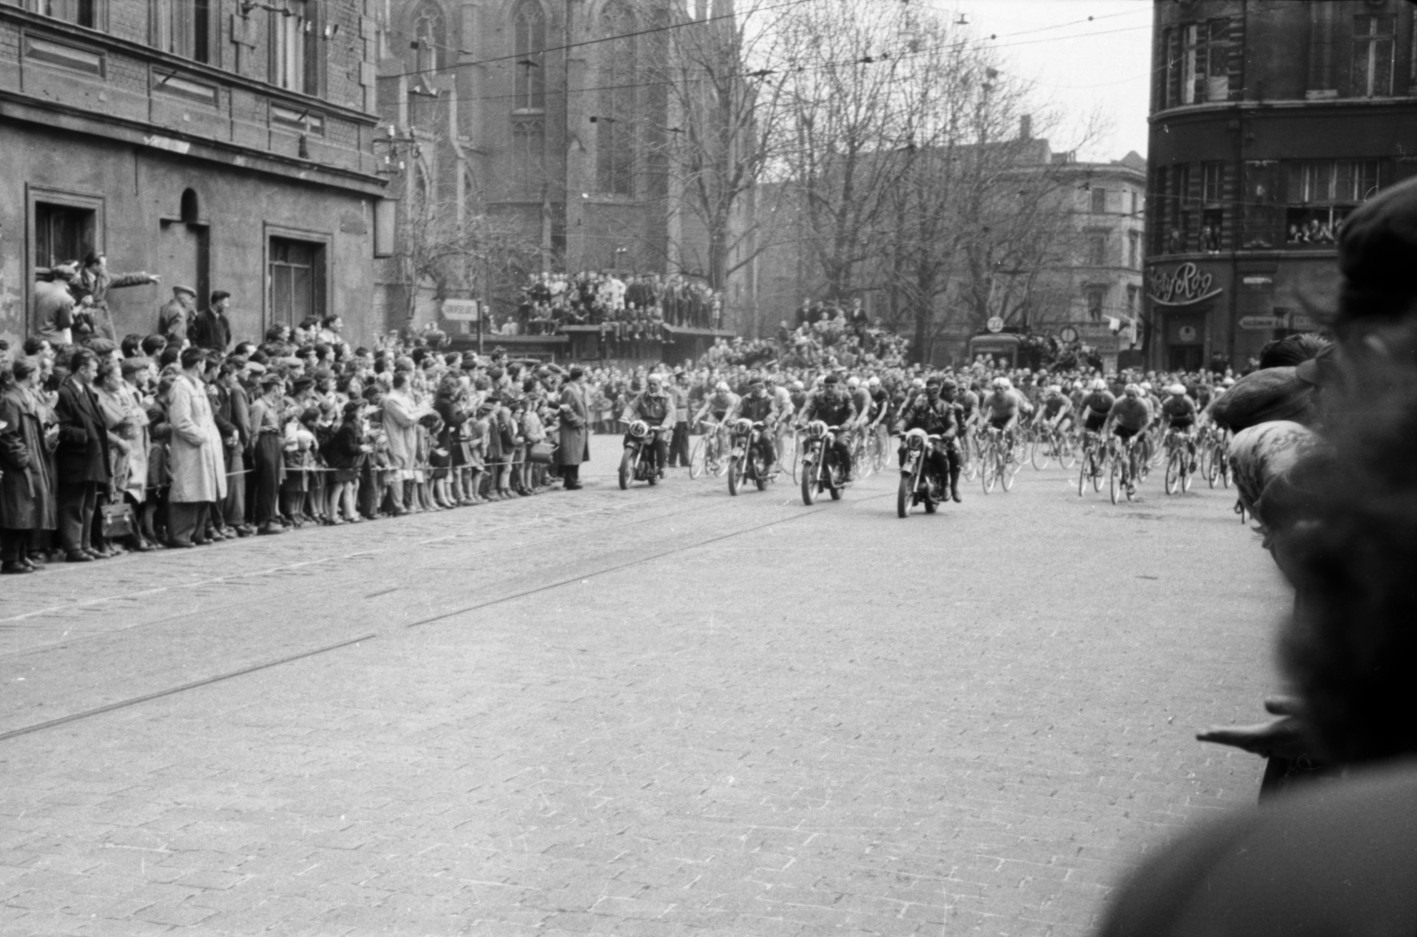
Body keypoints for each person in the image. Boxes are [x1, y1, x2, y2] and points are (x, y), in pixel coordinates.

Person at [53, 347, 111, 562]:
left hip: (91, 457)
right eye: (93, 370)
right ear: (82, 369)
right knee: (73, 504)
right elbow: (62, 427)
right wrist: (86, 435)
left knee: (88, 504)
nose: (96, 375)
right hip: (76, 458)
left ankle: (85, 543)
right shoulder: (65, 392)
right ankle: (73, 546)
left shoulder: (86, 390)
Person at [0, 358, 58, 573]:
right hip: (20, 465)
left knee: (29, 509)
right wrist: (23, 459)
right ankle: (11, 558)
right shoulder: (10, 400)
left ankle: (22, 555)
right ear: (31, 374)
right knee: (17, 510)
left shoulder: (26, 397)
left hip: (32, 461)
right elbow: (7, 434)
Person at [165, 347, 227, 547]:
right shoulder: (180, 386)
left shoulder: (199, 385)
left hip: (205, 445)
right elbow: (180, 420)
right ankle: (181, 534)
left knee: (205, 489)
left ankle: (197, 532)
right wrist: (200, 436)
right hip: (191, 446)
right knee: (189, 489)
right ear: (198, 364)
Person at [895, 375, 963, 502]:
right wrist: (899, 427)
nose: (931, 394)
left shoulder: (947, 407)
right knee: (903, 448)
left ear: (939, 391)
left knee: (941, 452)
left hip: (938, 439)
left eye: (935, 391)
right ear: (925, 391)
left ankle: (945, 485)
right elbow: (907, 418)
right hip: (919, 437)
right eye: (928, 391)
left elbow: (953, 424)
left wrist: (948, 434)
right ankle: (907, 477)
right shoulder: (918, 405)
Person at [75, 251, 160, 343]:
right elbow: (69, 304)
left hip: (101, 315)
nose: (104, 269)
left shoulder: (104, 276)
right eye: (103, 266)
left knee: (109, 344)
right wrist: (79, 323)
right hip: (84, 317)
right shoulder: (76, 280)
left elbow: (123, 279)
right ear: (94, 266)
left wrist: (146, 278)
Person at [796, 373, 858, 482]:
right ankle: (810, 466)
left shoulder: (845, 396)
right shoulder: (818, 396)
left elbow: (852, 412)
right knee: (808, 441)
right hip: (822, 428)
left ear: (837, 386)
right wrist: (803, 421)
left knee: (841, 444)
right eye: (826, 386)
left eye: (832, 386)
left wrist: (847, 423)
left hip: (840, 429)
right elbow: (809, 411)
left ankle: (848, 470)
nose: (829, 389)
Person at [1102, 383, 1153, 497]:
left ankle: (1133, 480)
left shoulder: (1142, 404)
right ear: (1125, 394)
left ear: (1138, 395)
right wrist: (1105, 434)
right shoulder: (1119, 402)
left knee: (1133, 454)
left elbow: (1146, 425)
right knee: (1111, 445)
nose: (1130, 398)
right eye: (1128, 395)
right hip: (1123, 426)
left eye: (1133, 395)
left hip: (1138, 429)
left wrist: (1136, 436)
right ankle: (1118, 463)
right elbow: (1109, 419)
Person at [726, 378, 783, 475]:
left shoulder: (769, 399)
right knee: (734, 433)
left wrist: (768, 419)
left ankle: (769, 464)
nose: (756, 390)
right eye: (753, 388)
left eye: (759, 387)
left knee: (765, 438)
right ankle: (737, 459)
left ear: (762, 387)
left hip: (763, 426)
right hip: (747, 426)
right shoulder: (745, 399)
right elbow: (738, 412)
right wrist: (732, 420)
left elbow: (775, 411)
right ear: (750, 389)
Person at [623, 372, 673, 478]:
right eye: (649, 384)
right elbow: (631, 407)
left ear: (660, 384)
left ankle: (661, 467)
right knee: (629, 435)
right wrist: (626, 416)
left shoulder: (667, 397)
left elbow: (670, 412)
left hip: (660, 425)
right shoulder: (642, 395)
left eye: (654, 384)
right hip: (644, 424)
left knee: (660, 441)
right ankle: (629, 459)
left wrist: (665, 425)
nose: (652, 386)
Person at [557, 365, 591, 490]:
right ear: (579, 377)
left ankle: (572, 479)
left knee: (576, 455)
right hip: (572, 428)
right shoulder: (569, 390)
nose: (585, 378)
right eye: (584, 375)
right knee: (571, 455)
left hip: (577, 428)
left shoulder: (576, 388)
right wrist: (578, 421)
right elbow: (566, 409)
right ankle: (570, 480)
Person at [1159, 382, 1200, 469]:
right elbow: (1165, 419)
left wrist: (1195, 431)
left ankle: (1194, 457)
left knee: (1190, 440)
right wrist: (1164, 429)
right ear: (1172, 395)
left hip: (1187, 421)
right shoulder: (1166, 403)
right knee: (1170, 436)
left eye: (1180, 396)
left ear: (1183, 395)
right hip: (1174, 421)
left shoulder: (1188, 401)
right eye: (1175, 396)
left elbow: (1195, 416)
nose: (1178, 398)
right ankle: (1173, 455)